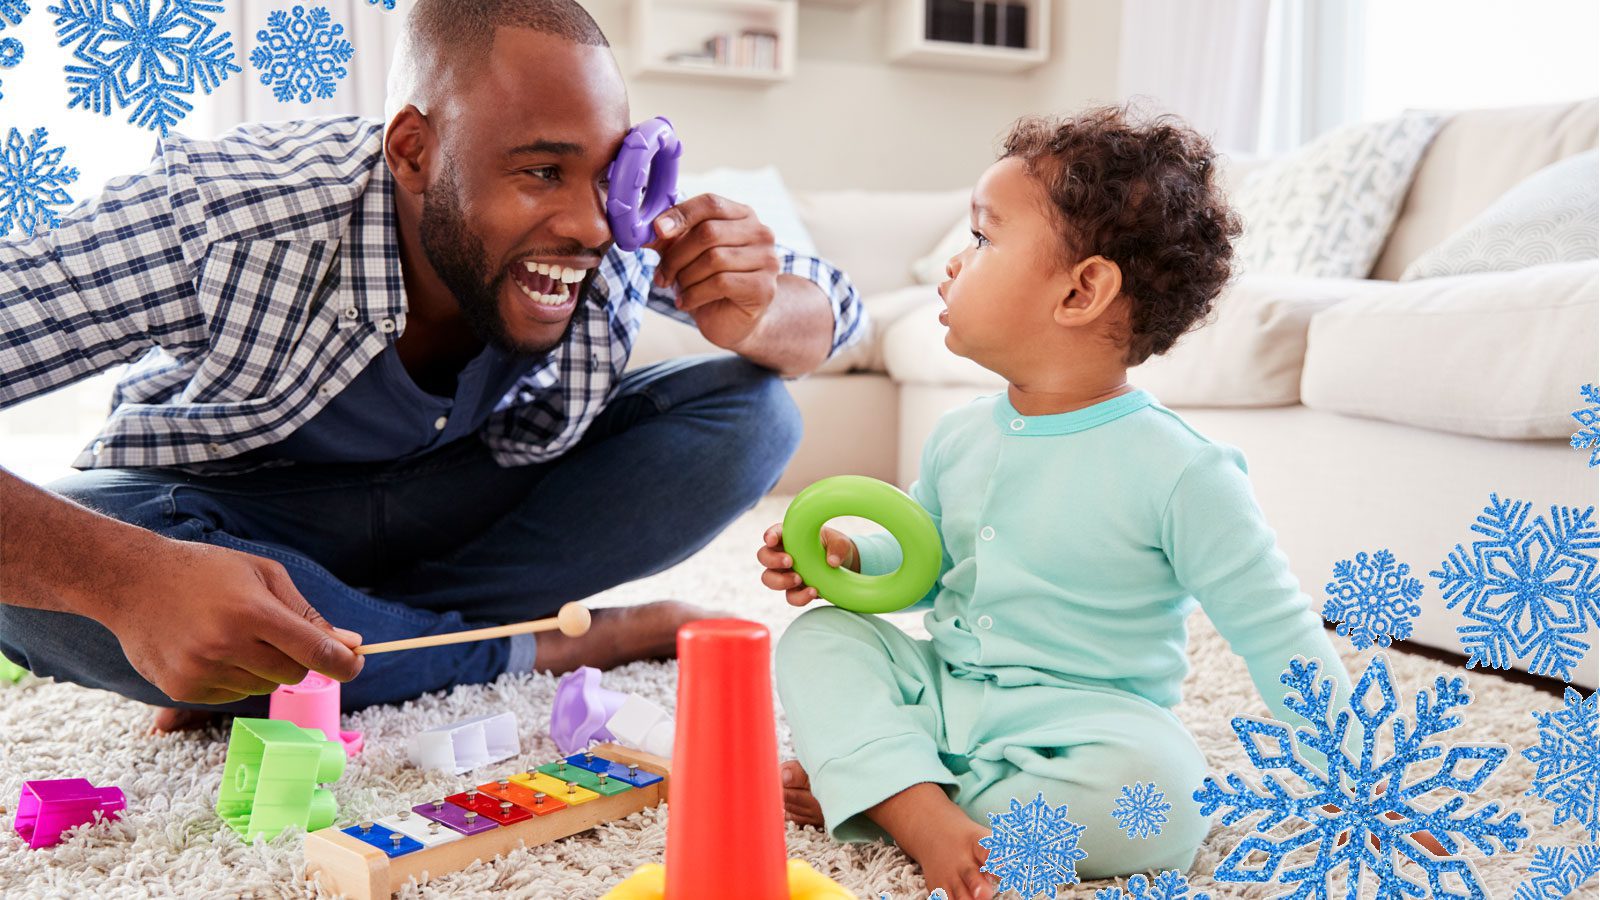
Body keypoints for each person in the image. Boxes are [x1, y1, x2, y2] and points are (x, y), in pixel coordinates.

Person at [0, 0, 862, 731]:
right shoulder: (224, 216)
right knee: (32, 585)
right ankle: (547, 641)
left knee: (753, 412)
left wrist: (753, 306)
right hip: (235, 512)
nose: (592, 225)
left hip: (459, 501)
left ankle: (351, 649)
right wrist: (125, 580)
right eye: (540, 171)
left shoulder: (611, 225)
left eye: (602, 176)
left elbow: (834, 308)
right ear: (413, 150)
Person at [757, 107, 1353, 899]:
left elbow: (1277, 633)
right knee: (821, 640)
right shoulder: (958, 435)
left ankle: (896, 791)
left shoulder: (1182, 470)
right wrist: (852, 560)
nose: (950, 266)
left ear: (1082, 290)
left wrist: (1357, 783)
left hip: (1086, 725)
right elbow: (929, 567)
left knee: (1165, 804)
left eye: (980, 240)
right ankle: (917, 803)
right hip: (948, 688)